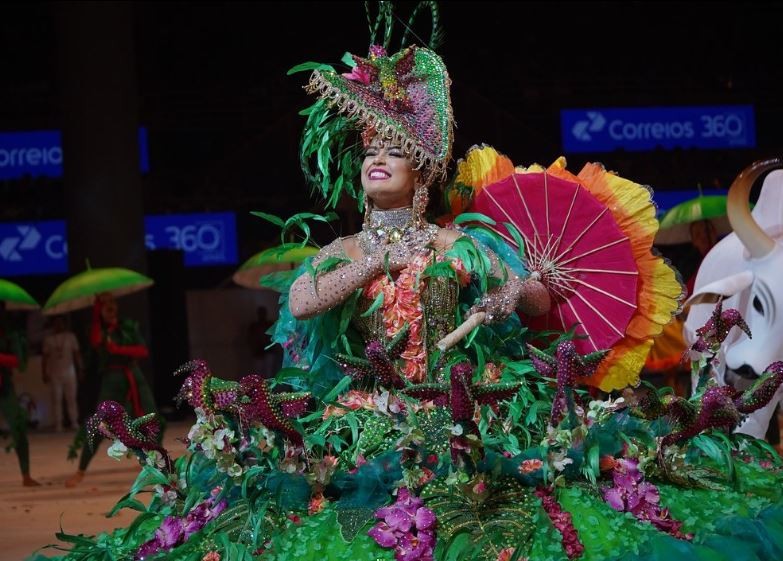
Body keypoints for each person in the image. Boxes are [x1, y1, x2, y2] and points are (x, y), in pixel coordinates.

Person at [36, 7, 783, 561]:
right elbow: (298, 301)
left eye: (393, 151)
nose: (376, 161)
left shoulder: (463, 242)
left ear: (424, 171)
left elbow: (535, 299)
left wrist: (506, 295)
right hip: (364, 415)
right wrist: (367, 266)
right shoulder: (348, 245)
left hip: (464, 416)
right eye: (368, 151)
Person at [64, 292, 162, 487]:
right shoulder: (98, 329)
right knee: (99, 424)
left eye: (112, 303)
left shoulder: (128, 326)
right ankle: (81, 470)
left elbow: (142, 350)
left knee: (151, 418)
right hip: (113, 378)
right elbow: (95, 341)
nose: (110, 308)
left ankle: (154, 464)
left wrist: (118, 350)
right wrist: (96, 314)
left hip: (134, 375)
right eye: (105, 305)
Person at [0, 302, 40, 486]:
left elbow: (20, 362)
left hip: (4, 386)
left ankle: (26, 474)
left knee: (18, 426)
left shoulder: (9, 335)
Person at [42, 315, 83, 432]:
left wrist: (80, 369)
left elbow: (77, 354)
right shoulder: (48, 339)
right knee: (56, 399)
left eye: (61, 322)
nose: (59, 325)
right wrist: (44, 372)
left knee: (71, 398)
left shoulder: (71, 337)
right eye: (56, 322)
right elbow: (45, 358)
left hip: (70, 372)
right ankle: (58, 423)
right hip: (55, 373)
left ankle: (74, 421)